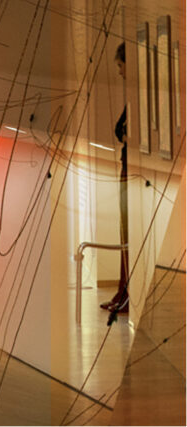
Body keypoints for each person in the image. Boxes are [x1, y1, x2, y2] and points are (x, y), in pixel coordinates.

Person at [101, 42, 129, 314]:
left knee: (127, 232)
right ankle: (123, 291)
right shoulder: (132, 96)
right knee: (124, 231)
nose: (119, 72)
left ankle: (126, 292)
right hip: (127, 166)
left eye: (121, 66)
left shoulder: (137, 96)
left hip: (130, 169)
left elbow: (120, 129)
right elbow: (119, 129)